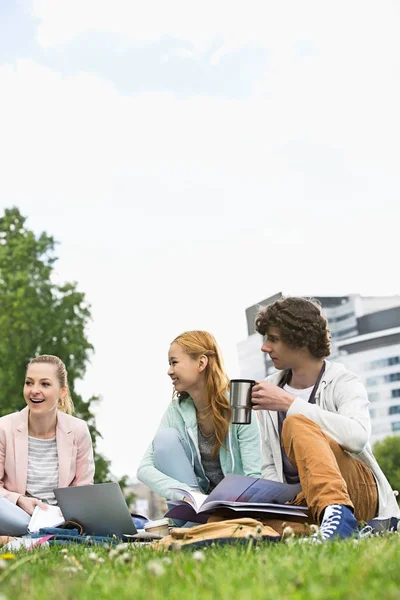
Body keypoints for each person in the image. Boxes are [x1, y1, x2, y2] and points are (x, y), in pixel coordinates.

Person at [251, 296, 400, 541]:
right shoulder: (270, 388)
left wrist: (289, 404)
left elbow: (357, 437)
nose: (265, 347)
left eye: (274, 339)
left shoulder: (344, 381)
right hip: (306, 499)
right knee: (240, 523)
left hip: (355, 490)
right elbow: (269, 465)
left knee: (297, 424)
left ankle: (339, 518)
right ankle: (176, 541)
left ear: (301, 340)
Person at [137, 331, 261, 503]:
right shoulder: (176, 411)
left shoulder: (238, 403)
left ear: (201, 363)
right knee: (165, 438)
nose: (169, 371)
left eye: (174, 362)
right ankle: (197, 521)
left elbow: (253, 475)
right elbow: (144, 469)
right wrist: (189, 495)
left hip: (236, 507)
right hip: (193, 507)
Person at [0, 355, 95, 537]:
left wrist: (59, 514)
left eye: (45, 384)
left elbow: (83, 489)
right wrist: (20, 500)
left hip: (61, 519)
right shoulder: (3, 428)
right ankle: (40, 534)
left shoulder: (78, 430)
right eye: (29, 383)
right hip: (15, 514)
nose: (34, 390)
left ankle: (46, 533)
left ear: (62, 392)